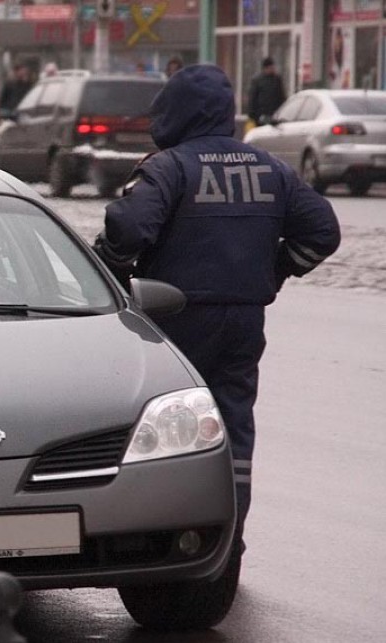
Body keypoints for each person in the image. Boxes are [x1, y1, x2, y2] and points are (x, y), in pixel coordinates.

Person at [92, 64, 340, 577]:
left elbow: (129, 228)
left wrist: (110, 275)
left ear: (173, 111)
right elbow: (323, 231)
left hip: (174, 321)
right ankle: (229, 547)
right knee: (234, 431)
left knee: (166, 433)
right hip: (245, 322)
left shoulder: (169, 166)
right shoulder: (270, 168)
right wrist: (274, 271)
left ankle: (172, 541)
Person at [248, 56, 286, 125]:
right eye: (270, 68)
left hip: (274, 116)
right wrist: (253, 115)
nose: (272, 69)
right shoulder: (257, 80)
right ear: (265, 68)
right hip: (260, 117)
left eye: (272, 67)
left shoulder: (277, 80)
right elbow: (252, 98)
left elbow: (281, 96)